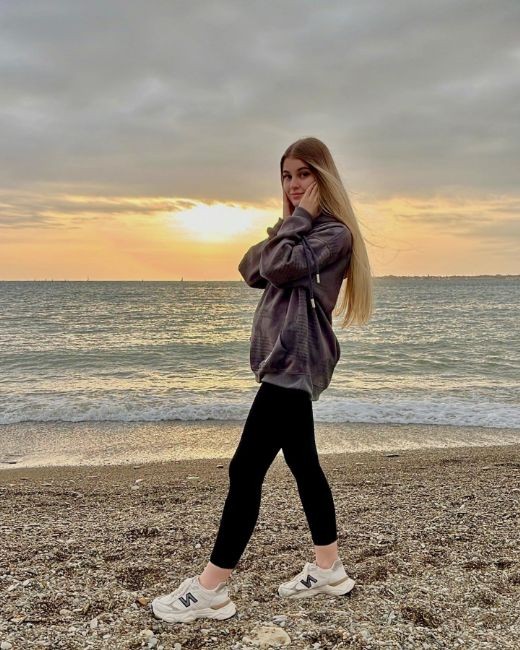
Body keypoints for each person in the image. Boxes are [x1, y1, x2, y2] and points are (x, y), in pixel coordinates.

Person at [151, 137, 374, 623]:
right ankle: (329, 568)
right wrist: (291, 223)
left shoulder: (333, 234)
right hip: (284, 362)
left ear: (324, 178)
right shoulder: (298, 231)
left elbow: (275, 265)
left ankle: (211, 589)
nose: (294, 184)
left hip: (295, 360)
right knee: (304, 464)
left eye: (304, 174)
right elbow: (249, 268)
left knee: (245, 470)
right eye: (287, 175)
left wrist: (297, 222)